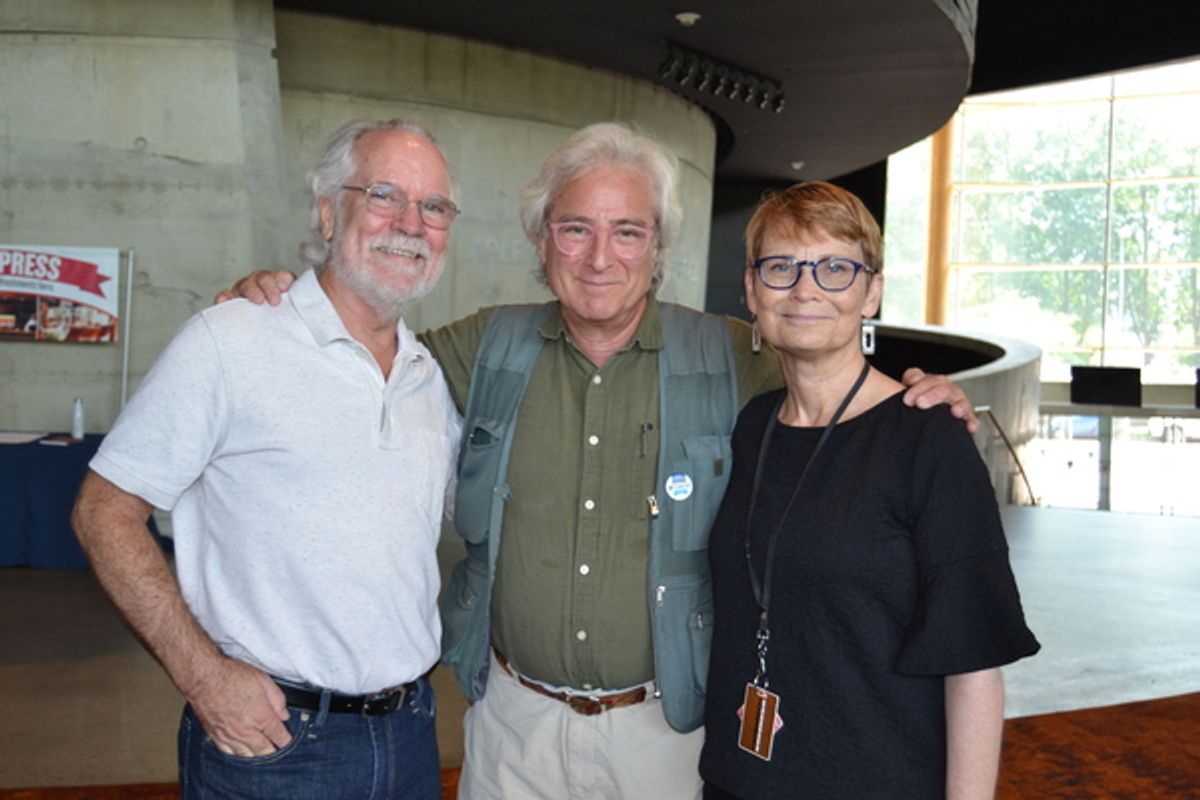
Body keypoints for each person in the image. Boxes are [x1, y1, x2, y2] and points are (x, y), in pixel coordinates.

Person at [223, 122, 977, 800]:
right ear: (542, 240)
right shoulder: (484, 347)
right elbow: (360, 351)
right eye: (575, 228)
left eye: (628, 232)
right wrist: (288, 301)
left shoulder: (733, 355)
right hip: (511, 729)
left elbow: (833, 375)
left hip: (669, 735)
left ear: (658, 250)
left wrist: (925, 395)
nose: (599, 257)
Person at [71, 118, 463, 800]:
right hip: (274, 746)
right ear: (327, 211)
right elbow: (104, 510)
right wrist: (203, 676)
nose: (410, 223)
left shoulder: (431, 378)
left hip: (409, 737)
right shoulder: (233, 340)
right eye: (383, 195)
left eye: (433, 207)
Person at [698, 181, 1040, 800]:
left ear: (872, 291)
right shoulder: (753, 426)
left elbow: (973, 665)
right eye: (781, 268)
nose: (806, 289)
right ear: (751, 289)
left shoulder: (929, 438)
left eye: (836, 268)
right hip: (739, 779)